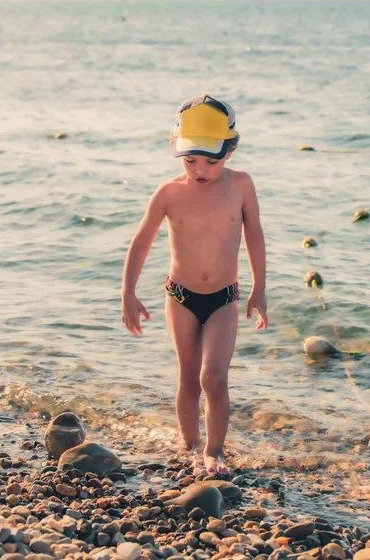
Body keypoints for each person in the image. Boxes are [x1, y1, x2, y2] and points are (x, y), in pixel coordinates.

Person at [121, 94, 268, 475]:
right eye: (190, 160)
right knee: (189, 376)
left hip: (224, 298)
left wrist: (259, 288)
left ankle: (214, 451)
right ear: (177, 148)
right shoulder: (169, 193)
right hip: (181, 296)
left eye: (210, 160)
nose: (200, 169)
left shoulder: (240, 186)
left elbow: (255, 235)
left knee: (214, 377)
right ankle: (190, 445)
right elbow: (141, 241)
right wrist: (128, 292)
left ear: (230, 150)